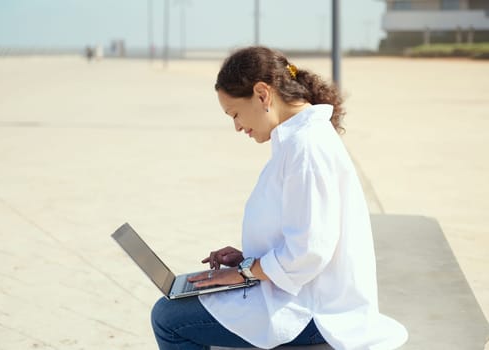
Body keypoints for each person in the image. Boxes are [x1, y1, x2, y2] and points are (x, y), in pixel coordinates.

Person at [151, 46, 408, 350]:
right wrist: (247, 261)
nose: (236, 126)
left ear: (262, 94)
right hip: (303, 293)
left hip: (318, 312)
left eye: (235, 113)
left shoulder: (307, 147)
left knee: (169, 317)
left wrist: (245, 273)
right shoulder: (296, 139)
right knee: (183, 299)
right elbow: (302, 233)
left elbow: (309, 251)